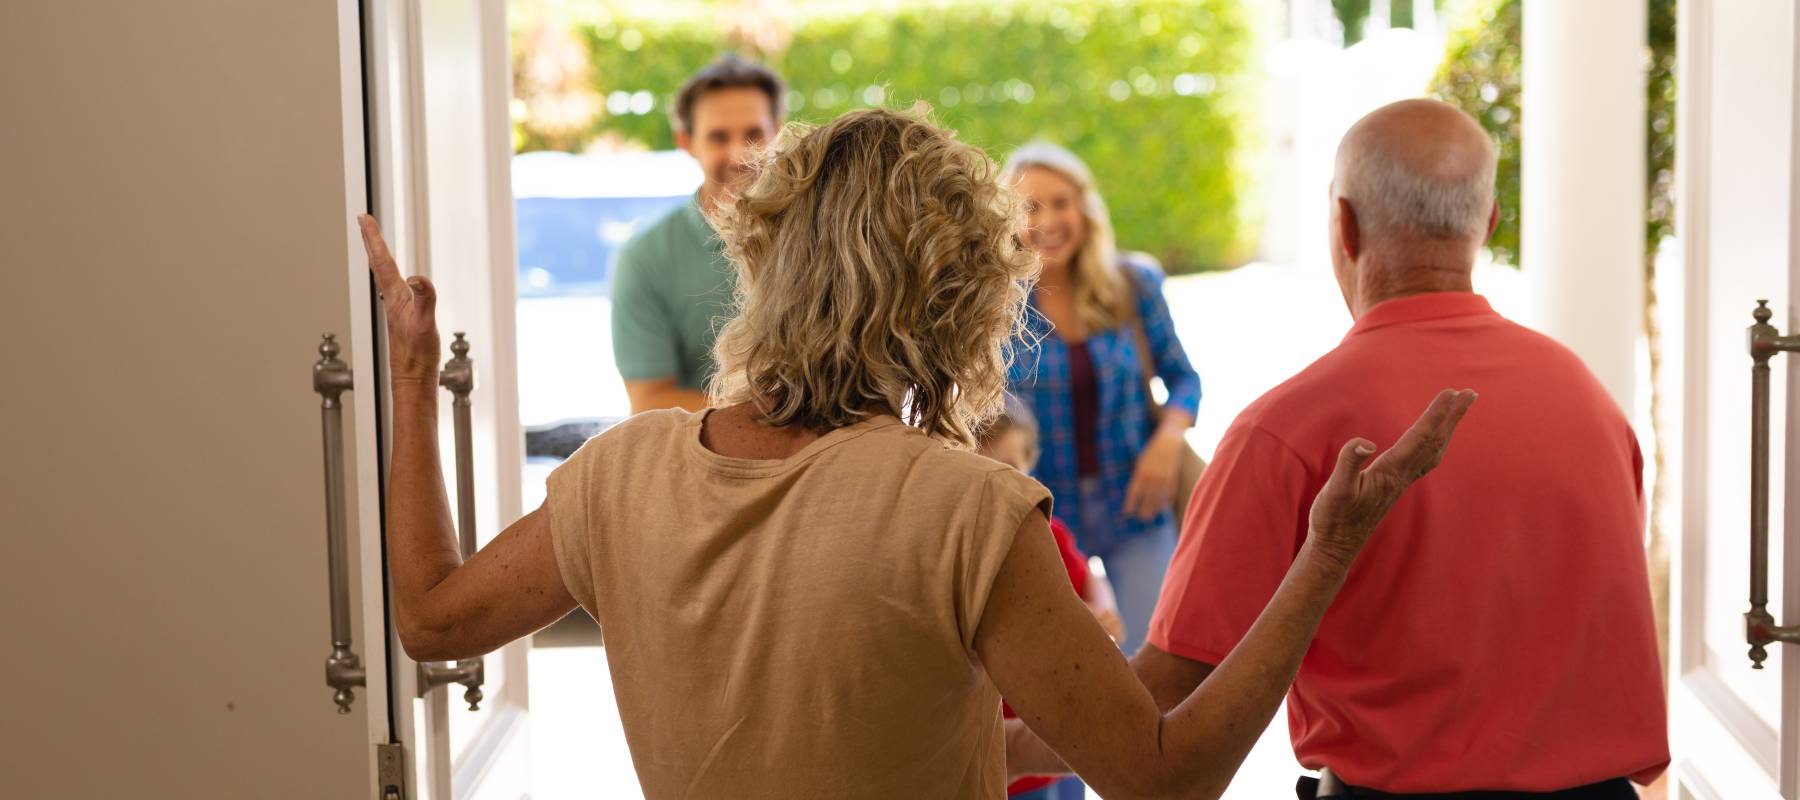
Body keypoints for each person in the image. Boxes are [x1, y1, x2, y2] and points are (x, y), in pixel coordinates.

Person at [360, 106, 1474, 799]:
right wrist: (1325, 556)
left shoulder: (622, 471)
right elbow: (1164, 778)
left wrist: (412, 376)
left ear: (768, 259)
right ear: (956, 297)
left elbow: (430, 617)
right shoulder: (963, 508)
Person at [1012, 99, 1670, 798]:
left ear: (1344, 225)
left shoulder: (1289, 429)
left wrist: (1001, 748)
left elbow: (1161, 696)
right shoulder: (1589, 401)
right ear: (1487, 223)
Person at [1002, 142, 1202, 655]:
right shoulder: (995, 305)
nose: (1048, 219)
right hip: (1044, 519)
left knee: (1154, 657)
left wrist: (1166, 445)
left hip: (1136, 501)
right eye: (1030, 205)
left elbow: (1183, 378)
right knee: (1065, 668)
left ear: (1084, 208)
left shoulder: (1132, 285)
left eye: (1061, 202)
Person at [610, 54, 783, 413]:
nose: (739, 155)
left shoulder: (822, 239)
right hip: (700, 462)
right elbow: (649, 402)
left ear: (777, 132)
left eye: (754, 134)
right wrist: (782, 417)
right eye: (718, 137)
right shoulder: (646, 258)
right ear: (686, 142)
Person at [978, 398, 1122, 800]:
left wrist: (1101, 607)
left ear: (1030, 464)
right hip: (1000, 748)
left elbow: (1088, 575)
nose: (999, 485)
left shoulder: (1044, 533)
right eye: (983, 471)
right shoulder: (965, 544)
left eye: (1008, 469)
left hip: (1059, 739)